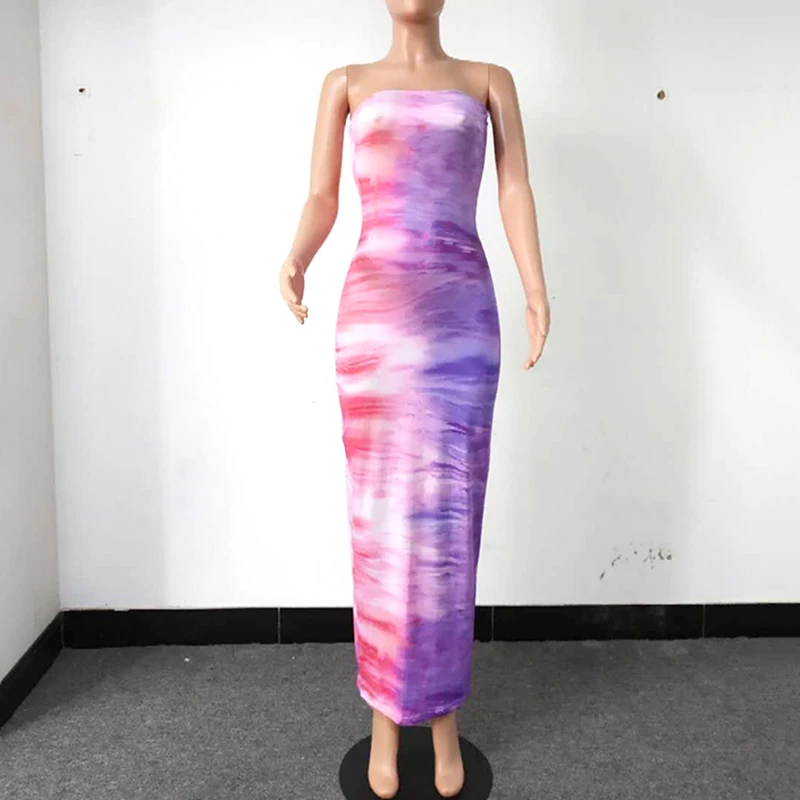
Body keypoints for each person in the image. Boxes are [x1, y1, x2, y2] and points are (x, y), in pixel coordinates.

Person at [279, 1, 549, 796]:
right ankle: (384, 723)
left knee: (449, 523)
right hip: (375, 324)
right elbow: (323, 196)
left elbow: (515, 188)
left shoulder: (489, 81)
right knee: (380, 525)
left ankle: (443, 721)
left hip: (461, 318)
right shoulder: (347, 84)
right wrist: (296, 256)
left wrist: (536, 287)